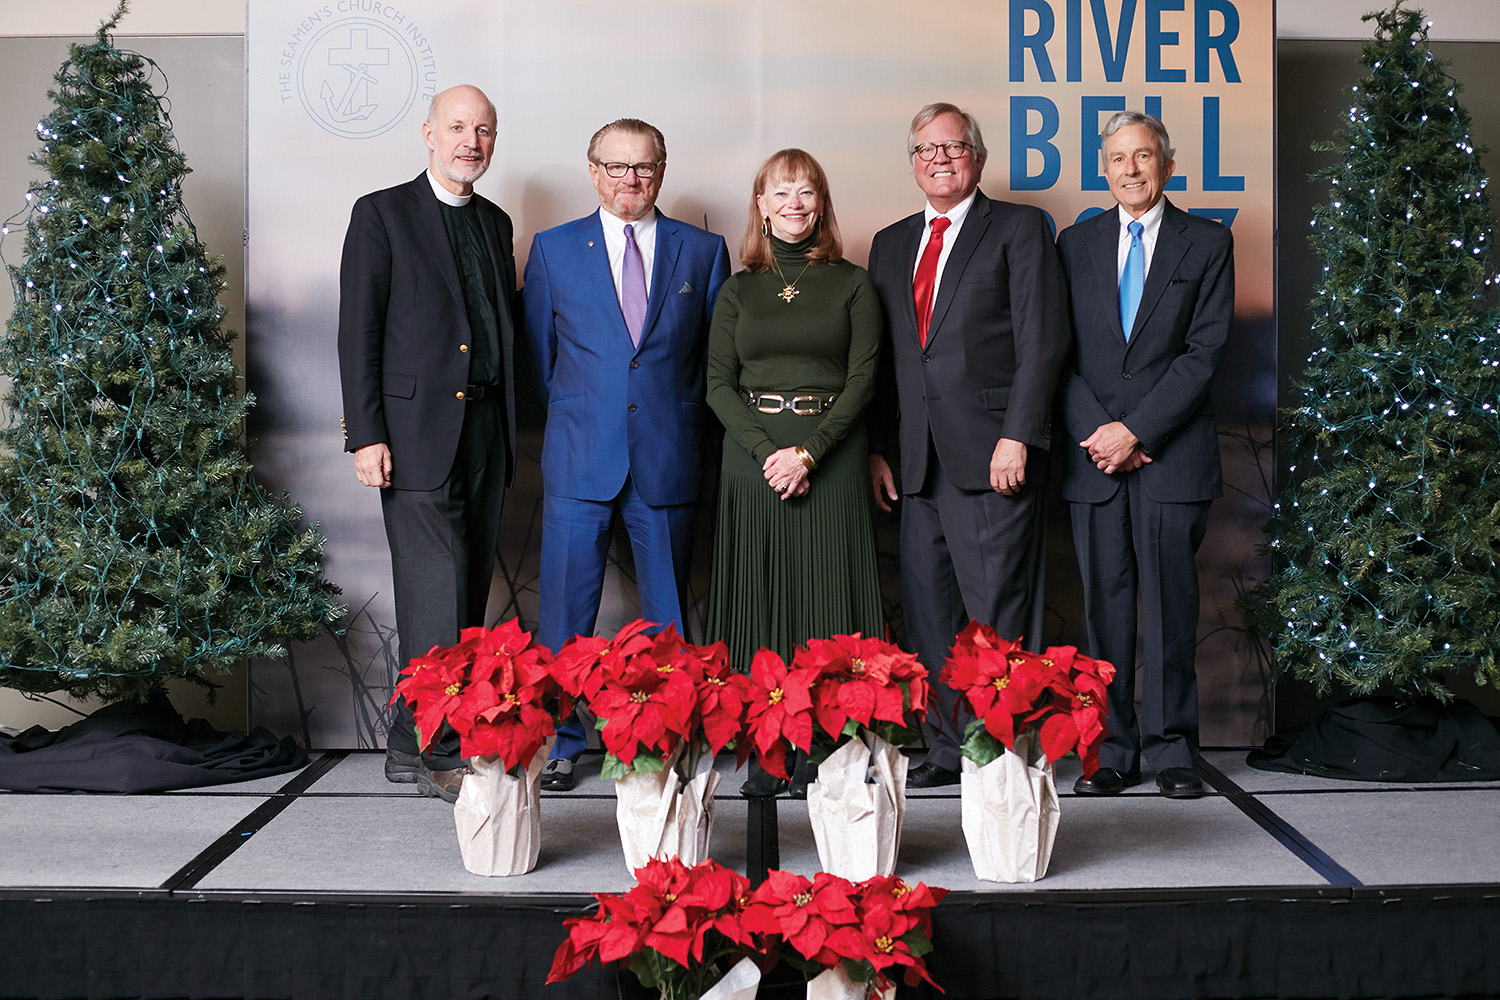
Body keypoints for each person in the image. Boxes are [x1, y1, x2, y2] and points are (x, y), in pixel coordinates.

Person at [522, 118, 731, 791]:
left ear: (661, 171)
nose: (628, 181)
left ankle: (675, 732)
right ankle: (560, 739)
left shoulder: (703, 252)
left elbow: (713, 360)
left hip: (667, 456)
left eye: (641, 168)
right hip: (581, 458)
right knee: (564, 613)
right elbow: (539, 358)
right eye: (615, 167)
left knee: (669, 611)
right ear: (593, 172)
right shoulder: (553, 251)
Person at [866, 102, 1069, 789]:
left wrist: (1019, 436)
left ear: (977, 158)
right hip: (916, 461)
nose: (940, 159)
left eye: (953, 148)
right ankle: (949, 748)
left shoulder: (1017, 228)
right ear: (913, 161)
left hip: (993, 456)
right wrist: (878, 447)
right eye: (926, 150)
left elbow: (1042, 344)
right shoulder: (891, 243)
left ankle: (1001, 750)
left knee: (998, 614)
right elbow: (889, 361)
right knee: (930, 614)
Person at [337, 84, 519, 803]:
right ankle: (444, 752)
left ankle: (408, 743)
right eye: (457, 127)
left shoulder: (496, 222)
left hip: (484, 432)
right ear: (427, 133)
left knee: (460, 599)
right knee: (437, 597)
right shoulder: (382, 214)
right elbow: (360, 331)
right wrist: (366, 433)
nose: (470, 141)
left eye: (483, 129)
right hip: (411, 437)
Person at [1058, 110, 1234, 799]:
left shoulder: (1208, 242)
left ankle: (1171, 751)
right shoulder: (1074, 244)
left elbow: (1206, 352)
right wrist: (1102, 432)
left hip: (1171, 456)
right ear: (1103, 169)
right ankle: (1110, 751)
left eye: (1143, 156)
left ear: (1166, 164)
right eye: (1117, 159)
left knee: (1168, 609)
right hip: (1092, 456)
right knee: (1103, 610)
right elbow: (1055, 353)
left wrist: (1136, 431)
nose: (1130, 170)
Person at [703, 149, 885, 796]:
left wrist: (808, 453)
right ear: (760, 204)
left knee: (827, 596)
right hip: (752, 455)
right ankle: (765, 749)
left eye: (807, 192)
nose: (795, 204)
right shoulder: (738, 287)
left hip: (829, 452)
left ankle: (831, 747)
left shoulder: (854, 283)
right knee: (758, 597)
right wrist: (766, 452)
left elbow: (864, 381)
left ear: (823, 203)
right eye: (781, 192)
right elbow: (718, 386)